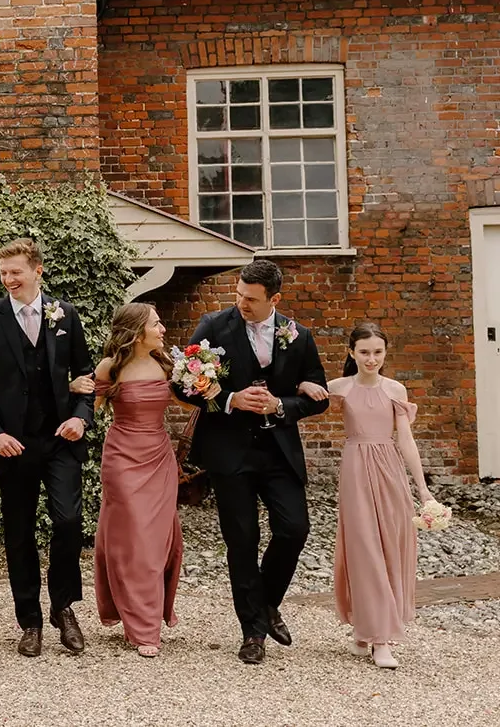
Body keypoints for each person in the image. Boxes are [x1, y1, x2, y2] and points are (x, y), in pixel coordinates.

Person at [175, 258, 328, 664]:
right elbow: (186, 385)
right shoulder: (213, 327)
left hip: (279, 452)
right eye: (239, 295)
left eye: (251, 299)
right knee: (241, 541)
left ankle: (266, 603)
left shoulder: (298, 336)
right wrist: (230, 399)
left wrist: (281, 405)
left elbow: (319, 396)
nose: (241, 302)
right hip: (229, 452)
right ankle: (252, 633)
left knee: (294, 529)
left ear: (274, 299)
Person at [0, 238, 94, 658]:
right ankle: (30, 621)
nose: (8, 279)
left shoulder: (65, 315)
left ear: (37, 271)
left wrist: (81, 417)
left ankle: (63, 607)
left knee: (69, 520)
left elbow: (86, 376)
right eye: (3, 273)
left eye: (16, 272)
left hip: (59, 439)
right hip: (12, 444)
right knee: (18, 533)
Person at [308, 323, 431, 669]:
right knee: (364, 548)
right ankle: (377, 638)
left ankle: (373, 633)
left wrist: (422, 489)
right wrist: (303, 384)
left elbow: (405, 440)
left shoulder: (395, 389)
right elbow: (299, 395)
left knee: (390, 546)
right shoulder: (340, 387)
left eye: (378, 352)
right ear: (351, 353)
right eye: (364, 352)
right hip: (356, 469)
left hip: (389, 469)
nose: (371, 358)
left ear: (385, 353)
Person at [85, 302, 183, 657]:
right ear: (137, 331)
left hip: (159, 457)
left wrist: (209, 387)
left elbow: (190, 404)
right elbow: (88, 412)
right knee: (133, 539)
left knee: (155, 539)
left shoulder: (165, 364)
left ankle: (145, 618)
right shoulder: (111, 367)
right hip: (123, 459)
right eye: (156, 324)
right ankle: (141, 627)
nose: (162, 330)